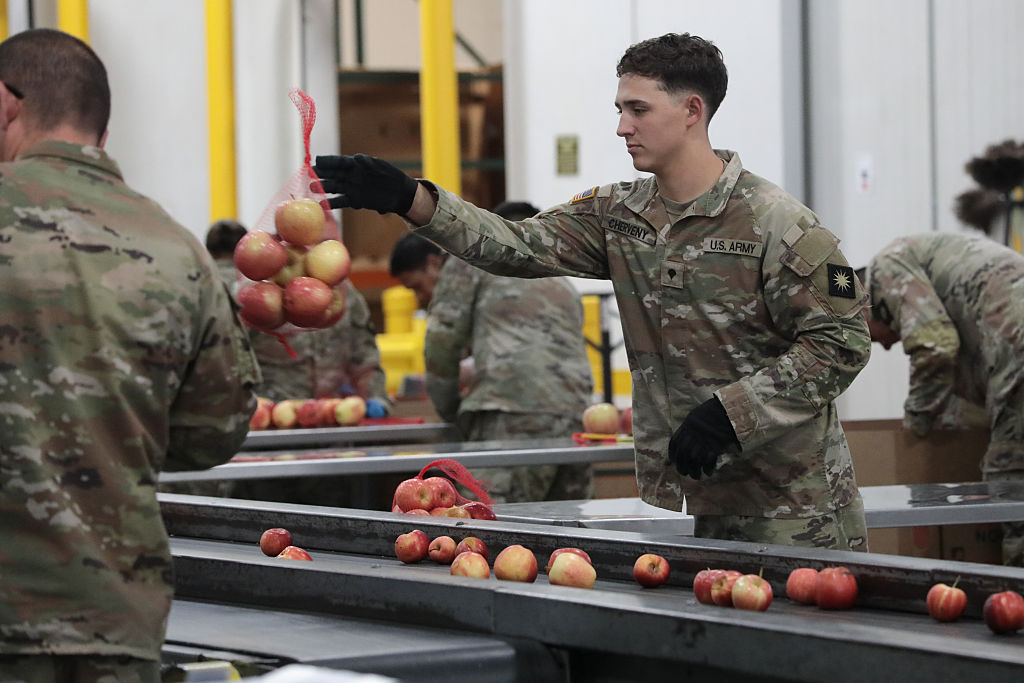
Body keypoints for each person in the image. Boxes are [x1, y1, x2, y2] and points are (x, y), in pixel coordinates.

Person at [314, 32, 872, 550]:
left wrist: (732, 413)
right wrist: (410, 198)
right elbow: (516, 245)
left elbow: (841, 342)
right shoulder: (619, 215)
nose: (622, 127)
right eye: (620, 110)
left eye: (638, 110)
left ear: (692, 112)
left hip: (796, 505)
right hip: (707, 495)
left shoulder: (776, 224)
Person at [0, 28, 259, 681]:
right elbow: (213, 434)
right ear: (101, 133)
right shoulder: (178, 250)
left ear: (6, 105)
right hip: (115, 619)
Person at [389, 200, 595, 504]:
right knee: (568, 530)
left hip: (510, 416)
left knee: (487, 526)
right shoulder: (556, 270)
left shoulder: (471, 257)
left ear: (434, 263)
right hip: (576, 416)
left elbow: (441, 343)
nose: (420, 299)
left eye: (417, 287)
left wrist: (448, 412)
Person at [860, 232, 1024, 565]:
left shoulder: (885, 268)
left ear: (861, 310)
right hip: (1011, 339)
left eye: (873, 340)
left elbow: (936, 346)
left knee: (1009, 480)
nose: (889, 345)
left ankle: (1017, 599)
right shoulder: (917, 258)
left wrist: (915, 427)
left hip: (1016, 342)